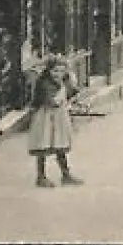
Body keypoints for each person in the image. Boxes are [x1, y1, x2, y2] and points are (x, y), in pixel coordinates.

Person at [28, 55, 83, 187]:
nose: (58, 74)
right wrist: (63, 90)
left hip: (59, 117)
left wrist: (71, 84)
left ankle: (65, 174)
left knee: (60, 144)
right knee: (43, 144)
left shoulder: (63, 81)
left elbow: (71, 93)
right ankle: (41, 176)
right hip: (45, 117)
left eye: (62, 71)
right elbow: (51, 102)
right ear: (48, 70)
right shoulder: (45, 84)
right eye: (55, 71)